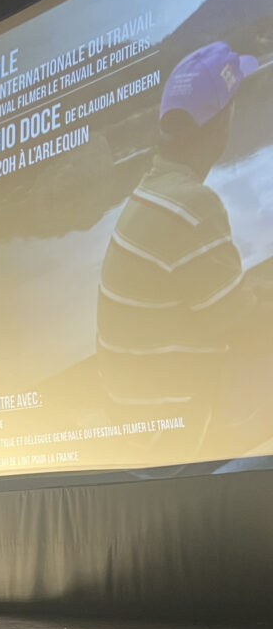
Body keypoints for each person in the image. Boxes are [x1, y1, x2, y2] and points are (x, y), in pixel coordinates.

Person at [96, 40, 266, 461]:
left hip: (136, 412)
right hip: (179, 426)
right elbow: (242, 327)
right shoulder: (193, 207)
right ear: (223, 122)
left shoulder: (153, 191)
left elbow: (222, 301)